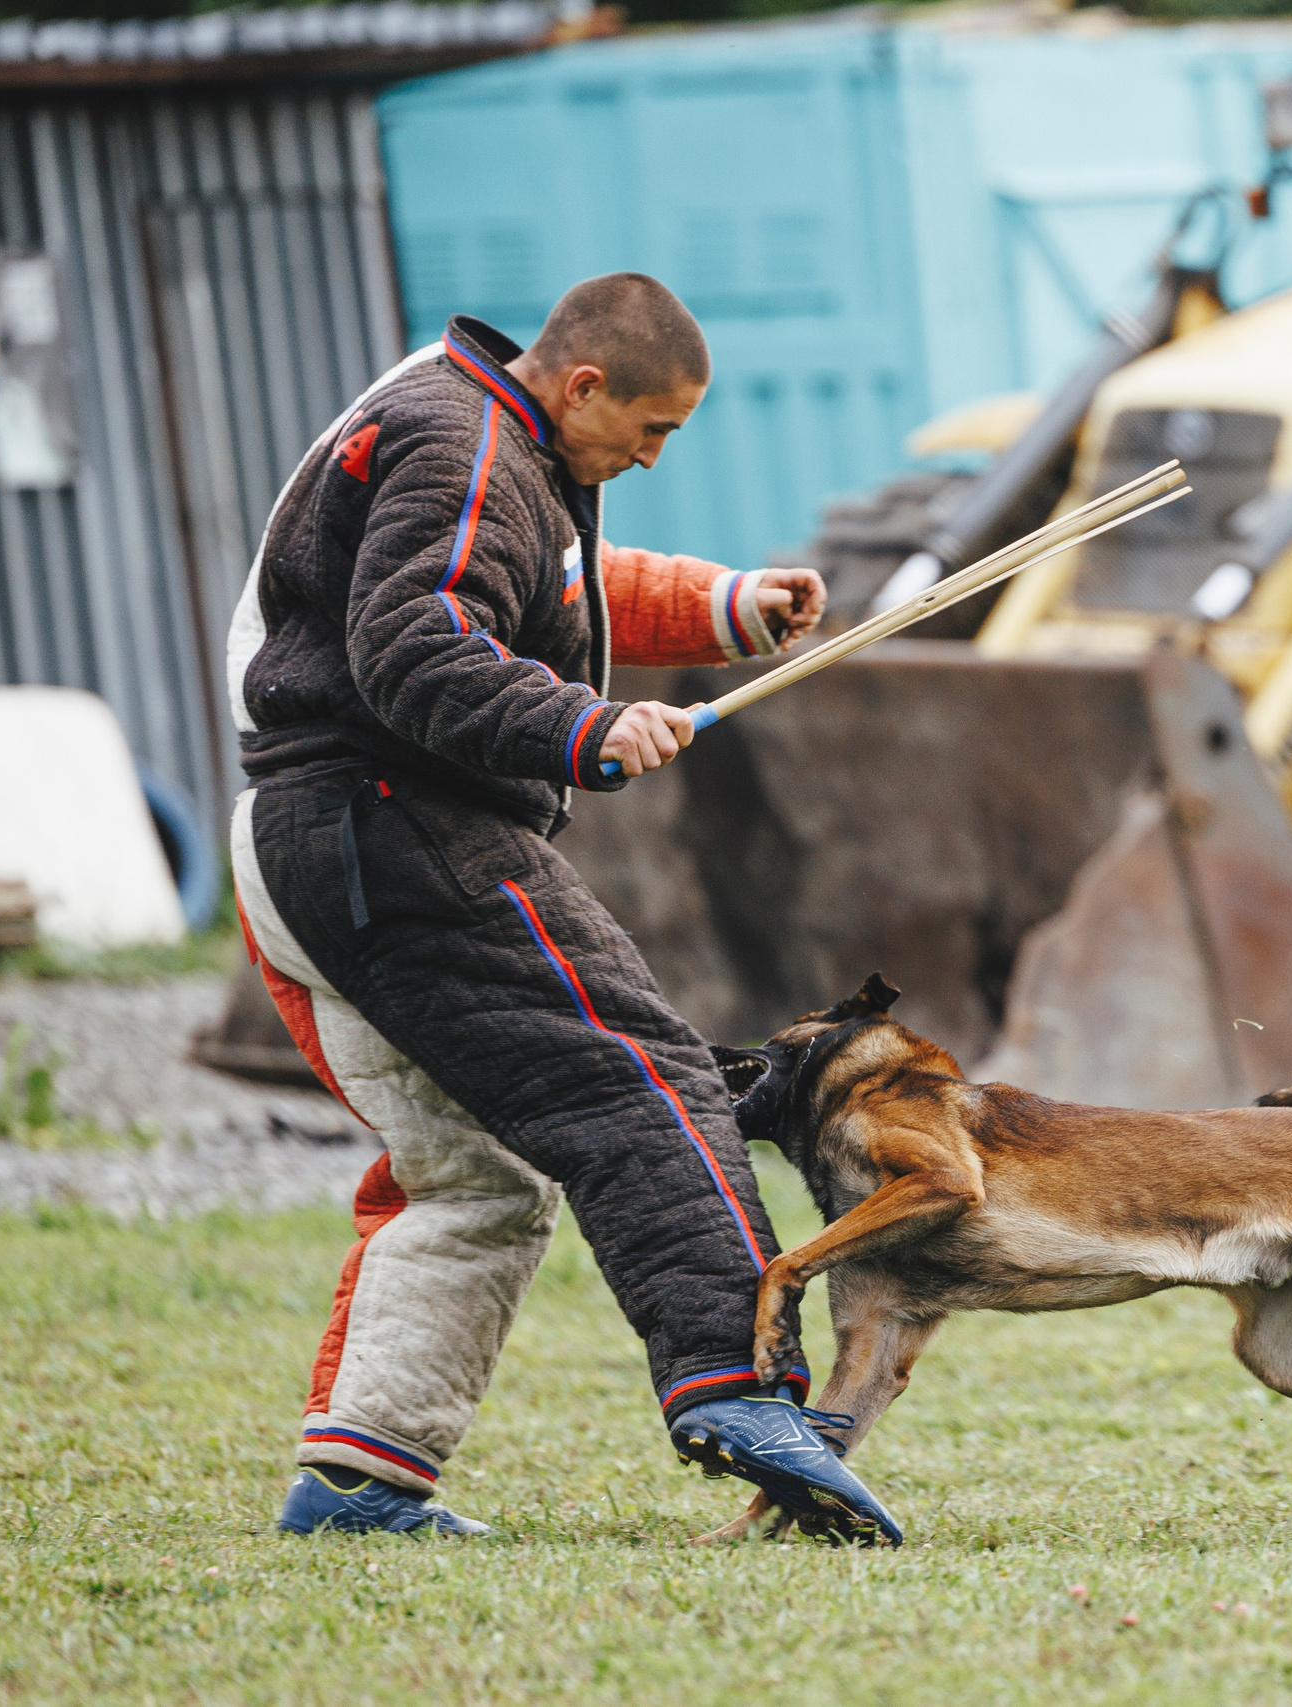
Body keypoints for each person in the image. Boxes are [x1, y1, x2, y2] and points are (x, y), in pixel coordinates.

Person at [223, 272, 901, 1545]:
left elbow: (545, 578)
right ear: (583, 384)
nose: (652, 458)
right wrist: (581, 726)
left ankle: (358, 1487)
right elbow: (420, 640)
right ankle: (738, 1389)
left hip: (314, 839)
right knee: (640, 1078)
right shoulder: (461, 442)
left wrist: (720, 605)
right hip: (400, 826)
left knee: (471, 1178)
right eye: (651, 430)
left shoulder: (483, 432)